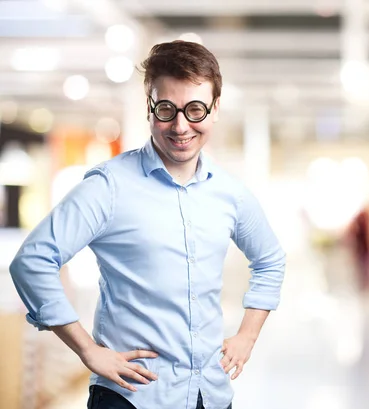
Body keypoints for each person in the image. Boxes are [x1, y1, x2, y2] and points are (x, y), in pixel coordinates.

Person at [9, 40, 286, 409]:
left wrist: (247, 337)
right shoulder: (108, 187)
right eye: (167, 109)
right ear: (150, 107)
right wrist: (87, 350)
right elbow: (32, 262)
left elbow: (270, 259)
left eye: (196, 109)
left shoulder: (229, 193)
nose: (181, 125)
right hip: (131, 398)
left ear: (215, 109)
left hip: (209, 396)